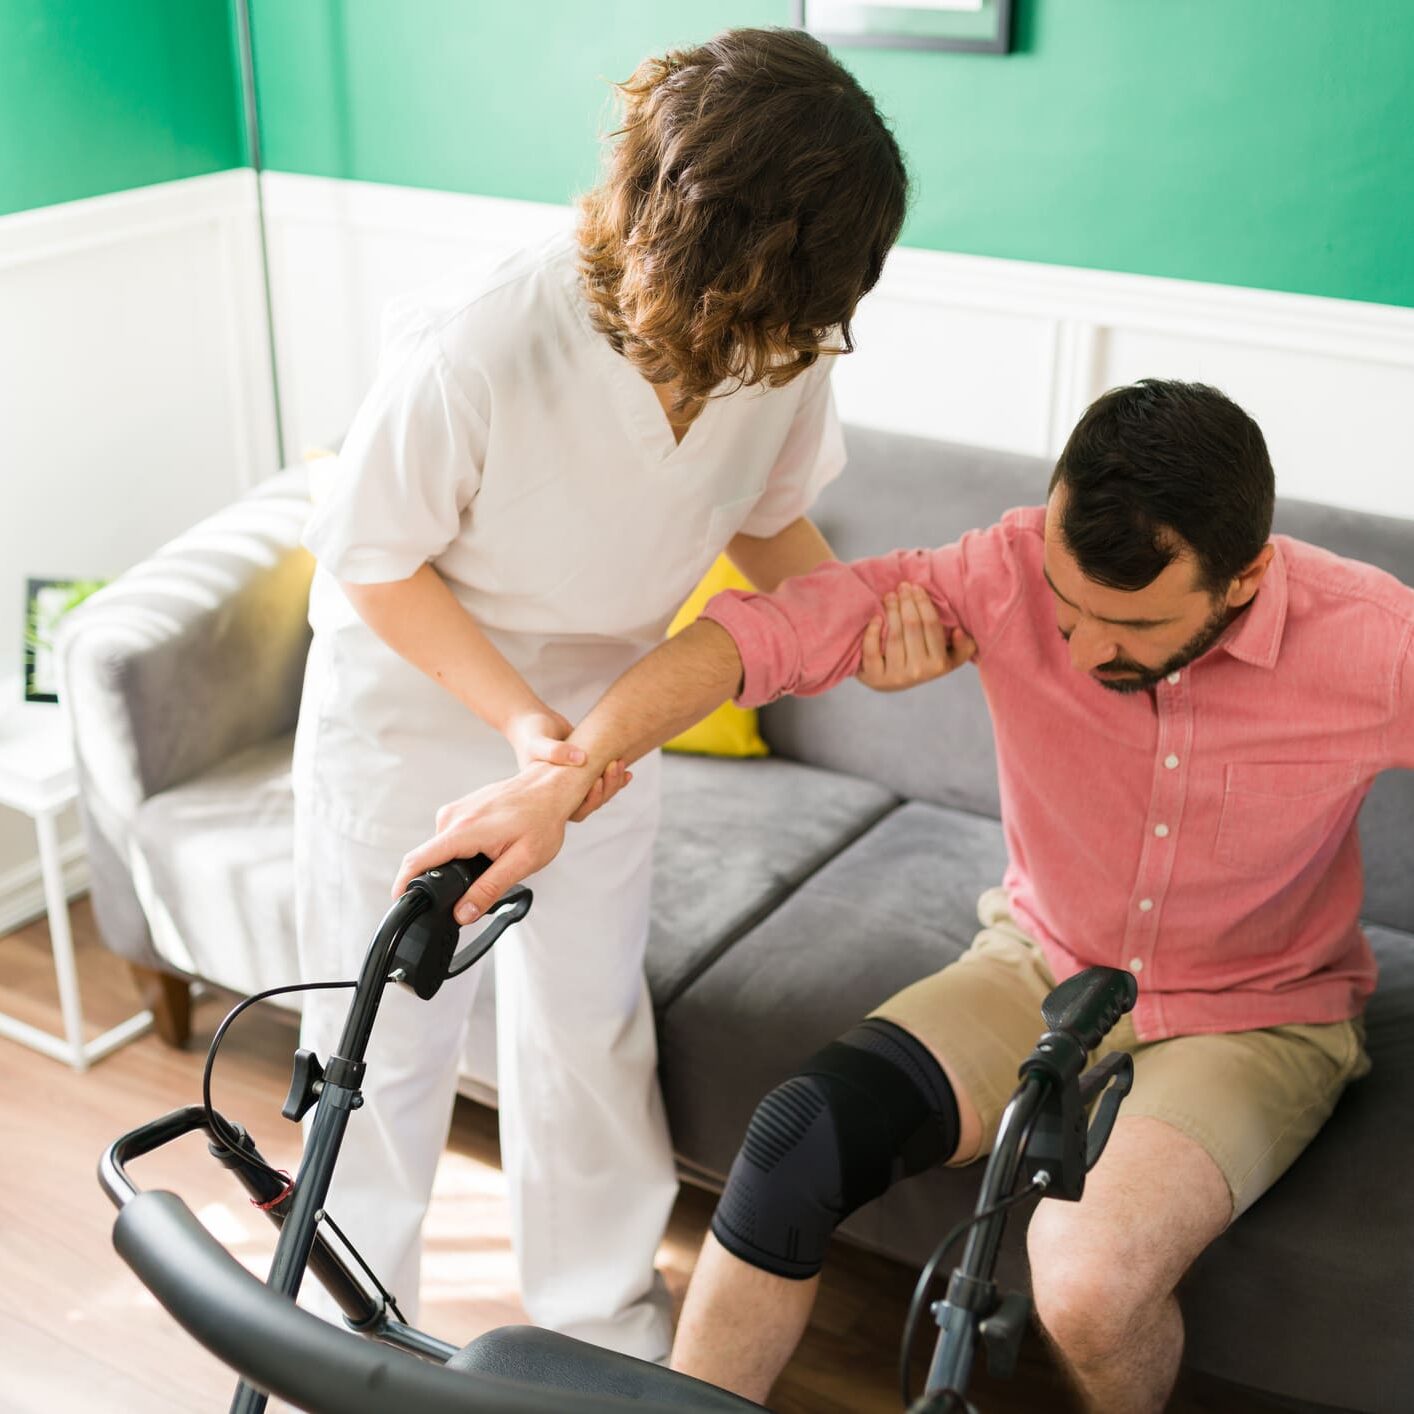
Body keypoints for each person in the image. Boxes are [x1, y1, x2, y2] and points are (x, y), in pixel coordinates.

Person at [396, 379, 1414, 1411]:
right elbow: (756, 635)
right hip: (1040, 962)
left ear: (1244, 580)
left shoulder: (1374, 643)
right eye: (1067, 608)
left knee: (1090, 1283)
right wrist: (561, 783)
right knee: (796, 1139)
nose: (1083, 649)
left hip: (1254, 1016)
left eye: (1134, 624)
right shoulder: (1004, 569)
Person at [291, 27, 915, 1359]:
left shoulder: (784, 343)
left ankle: (594, 1310)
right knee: (386, 1043)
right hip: (418, 709)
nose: (788, 339)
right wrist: (522, 728)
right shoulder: (486, 337)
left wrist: (874, 620)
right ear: (685, 237)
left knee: (585, 1019)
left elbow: (770, 524)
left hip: (607, 727)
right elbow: (368, 560)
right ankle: (348, 1333)